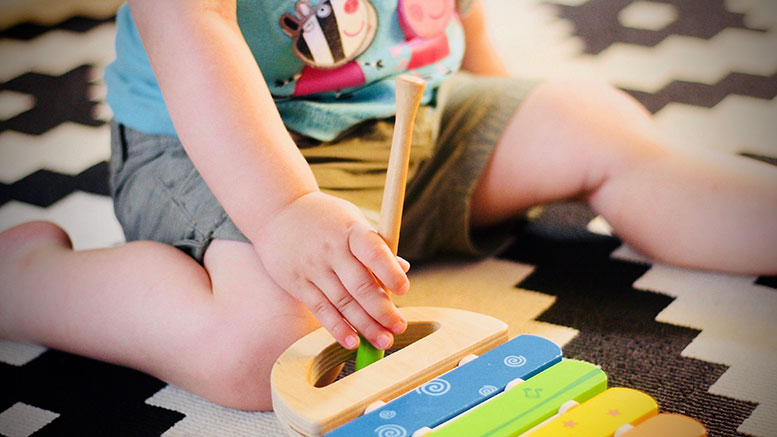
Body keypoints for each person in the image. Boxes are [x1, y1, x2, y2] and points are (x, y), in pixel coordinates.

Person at [1, 0, 775, 411]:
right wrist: (283, 212)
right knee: (262, 351)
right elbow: (190, 29)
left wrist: (500, 100)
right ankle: (34, 284)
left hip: (411, 113)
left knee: (590, 119)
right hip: (217, 146)